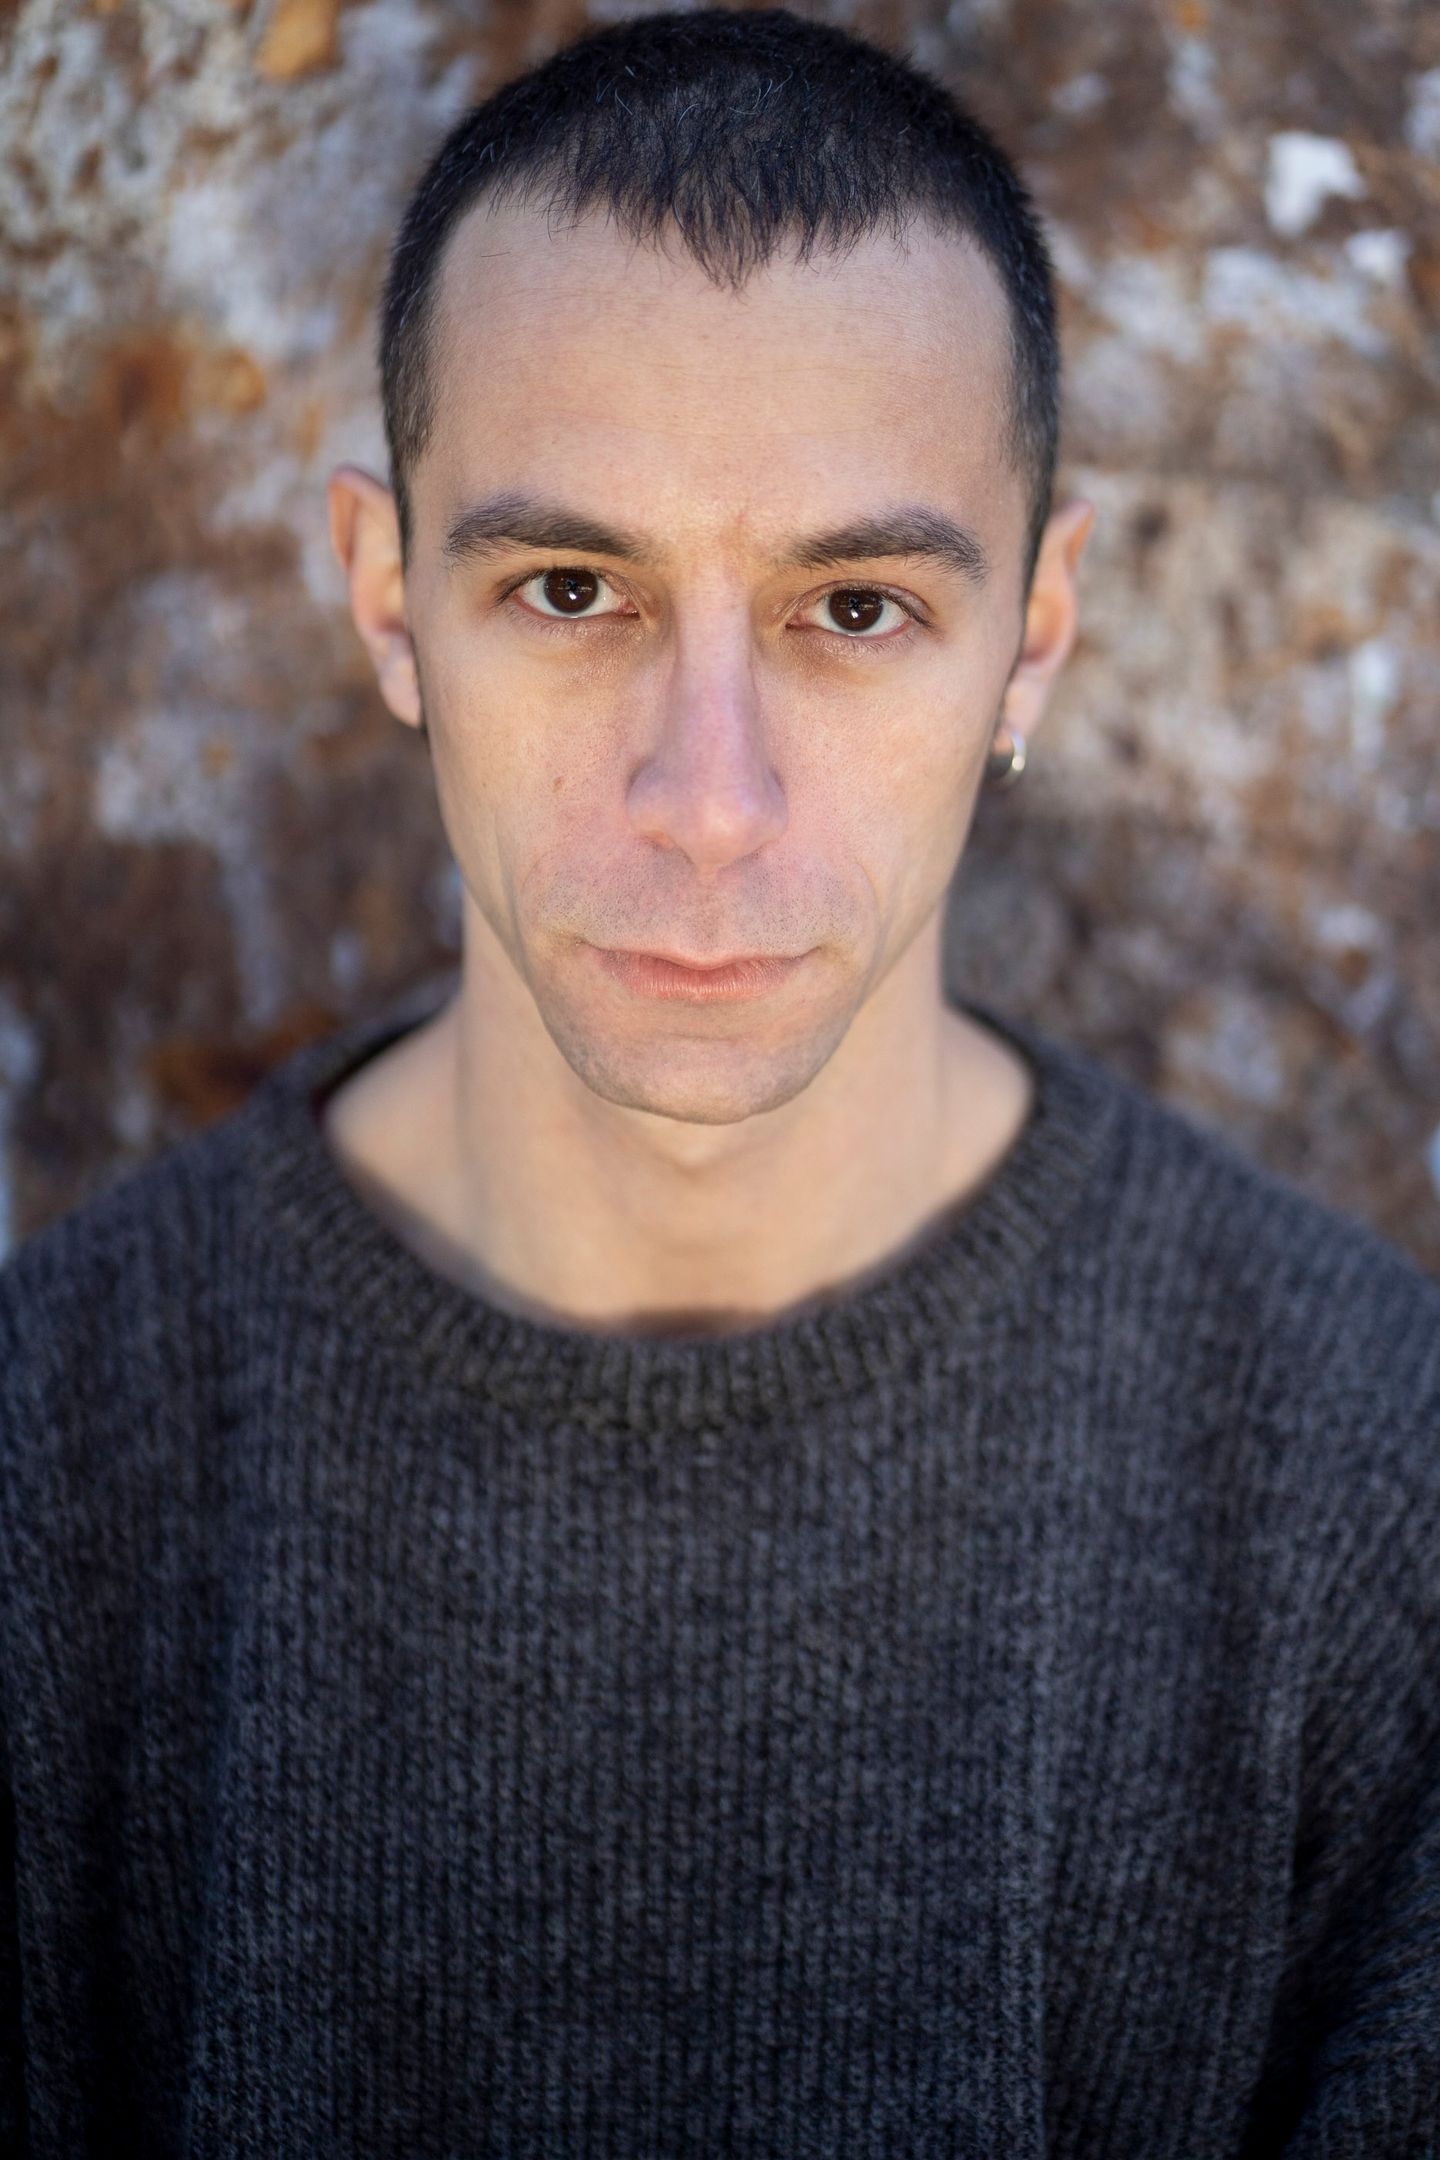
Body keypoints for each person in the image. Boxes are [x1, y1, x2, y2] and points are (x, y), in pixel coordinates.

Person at [1, 8, 1436, 2154]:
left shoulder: (1372, 1496)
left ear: (1035, 638)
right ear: (388, 600)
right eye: (571, 588)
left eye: (854, 609)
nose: (707, 800)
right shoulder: (48, 1473)